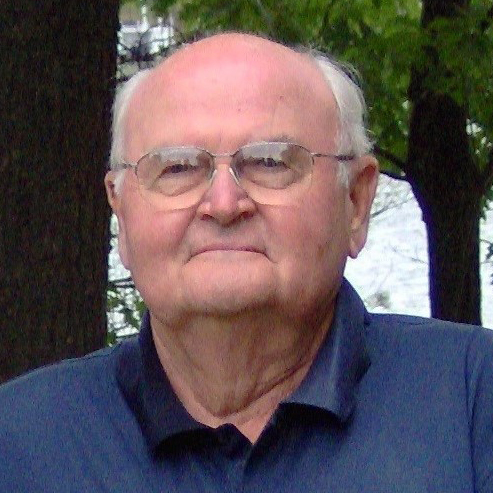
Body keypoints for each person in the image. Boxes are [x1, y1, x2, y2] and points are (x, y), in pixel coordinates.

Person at [1, 32, 492, 493]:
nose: (223, 204)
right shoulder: (20, 442)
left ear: (356, 203)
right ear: (121, 213)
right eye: (176, 168)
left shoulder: (473, 405)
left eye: (270, 162)